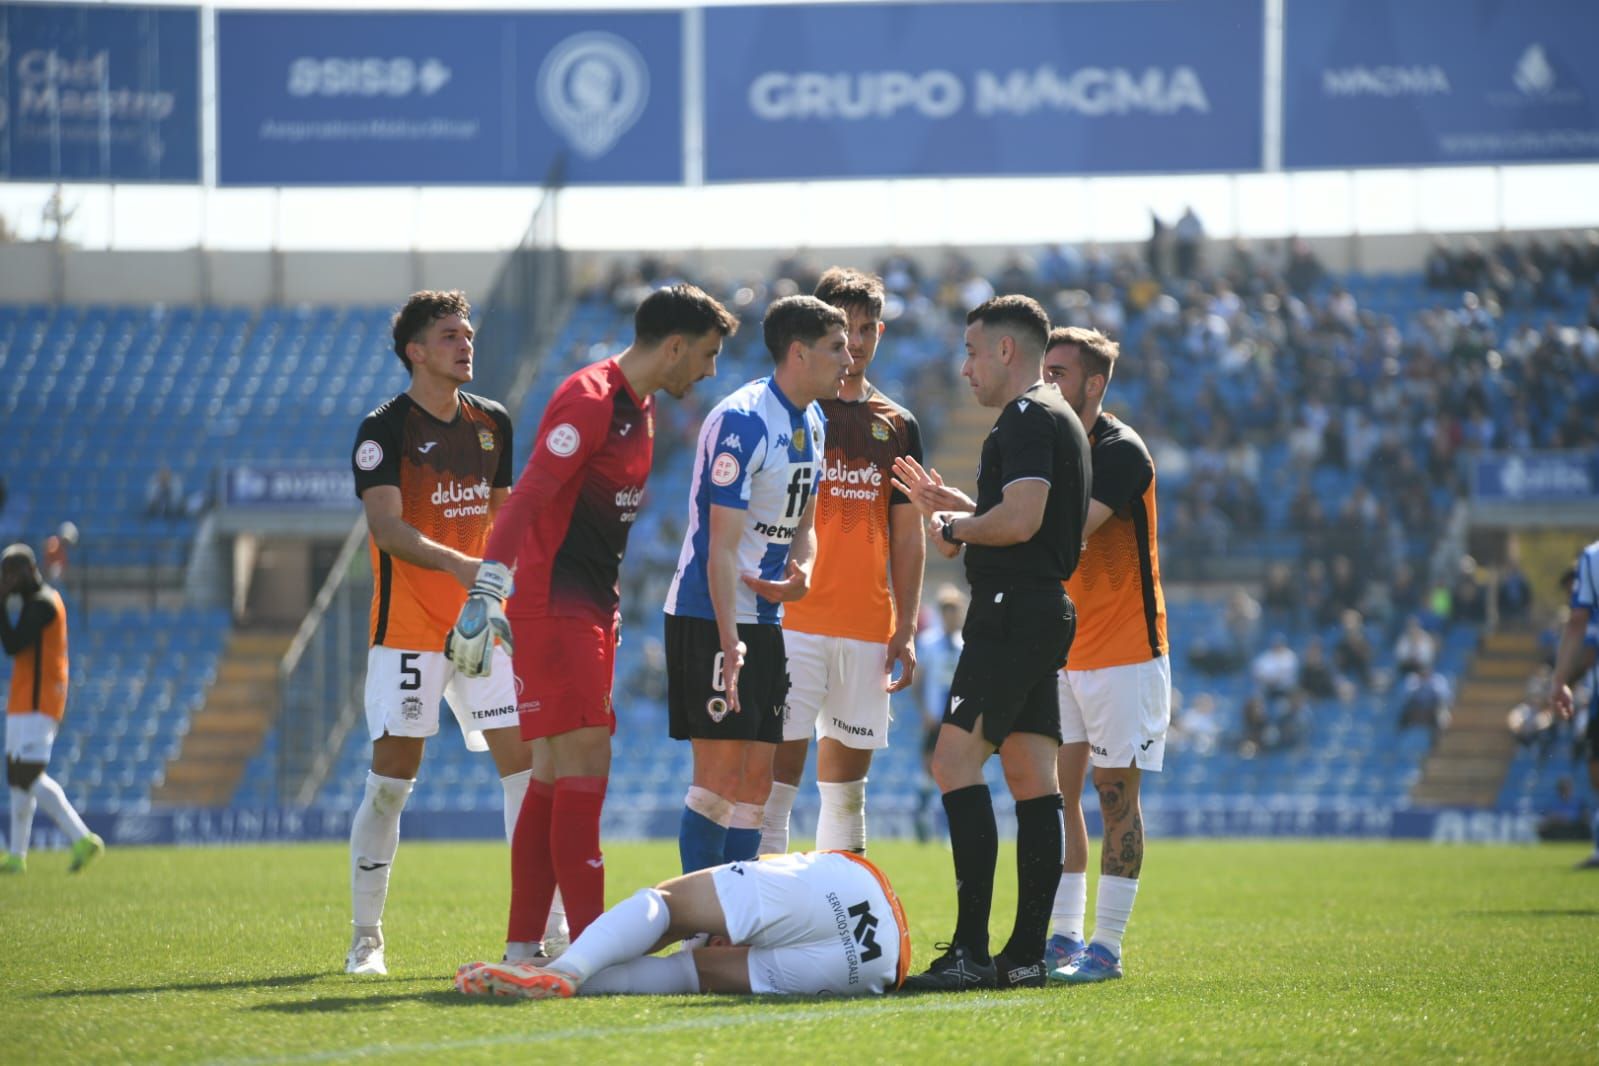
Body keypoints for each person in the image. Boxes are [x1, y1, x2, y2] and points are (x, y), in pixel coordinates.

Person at [447, 284, 738, 962]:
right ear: (672, 346)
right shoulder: (589, 397)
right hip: (554, 607)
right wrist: (488, 589)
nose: (709, 371)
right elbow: (527, 498)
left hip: (589, 607)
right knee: (585, 765)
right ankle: (590, 950)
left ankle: (525, 947)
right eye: (705, 354)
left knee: (550, 774)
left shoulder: (638, 405)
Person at [890, 294, 1091, 991]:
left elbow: (1023, 519)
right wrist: (958, 508)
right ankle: (1025, 955)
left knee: (951, 764)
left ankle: (971, 952)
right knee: (1032, 780)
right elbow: (1019, 515)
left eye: (973, 351)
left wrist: (954, 531)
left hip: (1010, 612)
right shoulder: (1053, 416)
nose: (965, 366)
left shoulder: (1029, 415)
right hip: (1038, 609)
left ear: (1006, 350)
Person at [344, 290, 526, 976]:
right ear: (415, 350)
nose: (465, 343)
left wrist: (508, 592)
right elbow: (386, 528)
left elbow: (506, 522)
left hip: (481, 629)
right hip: (409, 631)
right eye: (450, 334)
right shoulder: (382, 428)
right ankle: (367, 939)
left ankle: (549, 927)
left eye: (469, 333)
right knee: (391, 785)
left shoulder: (493, 423)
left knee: (526, 772)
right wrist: (461, 563)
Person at [663, 295, 849, 874]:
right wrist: (728, 640)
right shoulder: (742, 422)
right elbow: (719, 550)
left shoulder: (815, 420)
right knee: (717, 785)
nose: (850, 357)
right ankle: (700, 927)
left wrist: (806, 574)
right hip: (709, 614)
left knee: (756, 788)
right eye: (836, 347)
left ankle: (734, 924)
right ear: (799, 352)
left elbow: (806, 529)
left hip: (766, 617)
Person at [762, 268, 925, 857]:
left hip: (864, 628)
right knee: (773, 792)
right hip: (791, 624)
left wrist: (904, 627)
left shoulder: (898, 425)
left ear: (879, 332)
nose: (854, 343)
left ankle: (835, 931)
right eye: (842, 328)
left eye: (865, 328)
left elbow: (909, 538)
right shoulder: (785, 412)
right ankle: (760, 926)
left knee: (847, 797)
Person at [1037, 326, 1171, 985]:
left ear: (1093, 384)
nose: (1046, 383)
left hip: (1125, 649)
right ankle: (1062, 937)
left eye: (1058, 372)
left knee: (1114, 797)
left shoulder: (1120, 453)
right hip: (1068, 649)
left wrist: (977, 523)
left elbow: (1062, 533)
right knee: (1058, 795)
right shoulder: (1051, 444)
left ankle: (1106, 948)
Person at [455, 849, 907, 999]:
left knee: (665, 902)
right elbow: (678, 962)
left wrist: (568, 959)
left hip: (850, 884)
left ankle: (567, 970)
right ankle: (565, 975)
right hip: (875, 965)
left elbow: (667, 916)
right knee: (686, 975)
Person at [1, 543, 104, 874]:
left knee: (27, 774)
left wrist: (0, 603)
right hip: (23, 699)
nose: (8, 583)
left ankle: (82, 838)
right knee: (17, 778)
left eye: (11, 576)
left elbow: (13, 644)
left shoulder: (45, 604)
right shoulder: (35, 601)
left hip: (39, 700)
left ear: (30, 571)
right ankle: (18, 855)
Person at [1548, 538, 1599, 869]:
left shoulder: (1593, 557)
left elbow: (1579, 625)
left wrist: (1561, 680)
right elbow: (1579, 622)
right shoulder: (1592, 557)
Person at [913, 585, 966, 840]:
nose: (950, 615)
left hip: (958, 719)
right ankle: (922, 818)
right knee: (928, 768)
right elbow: (918, 681)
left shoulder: (965, 644)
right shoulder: (929, 642)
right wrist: (924, 712)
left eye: (954, 610)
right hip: (935, 717)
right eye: (946, 610)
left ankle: (950, 824)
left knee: (956, 771)